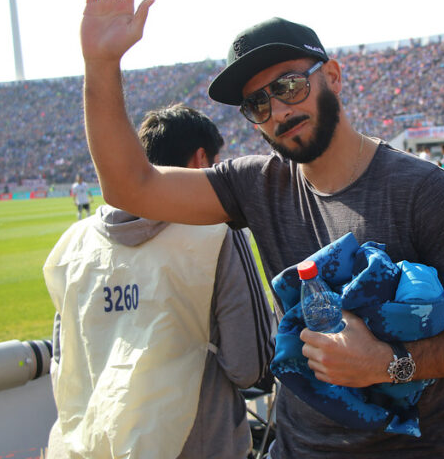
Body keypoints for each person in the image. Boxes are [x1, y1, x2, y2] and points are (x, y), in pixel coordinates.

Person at [77, 0, 444, 457]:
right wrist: (101, 62)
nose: (279, 111)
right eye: (258, 103)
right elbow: (129, 187)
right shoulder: (256, 184)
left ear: (332, 75)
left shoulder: (421, 190)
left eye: (289, 85)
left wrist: (389, 363)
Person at [44, 103, 275, 458]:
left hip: (91, 447)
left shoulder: (71, 245)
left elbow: (63, 364)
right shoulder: (216, 232)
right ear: (201, 161)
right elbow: (250, 366)